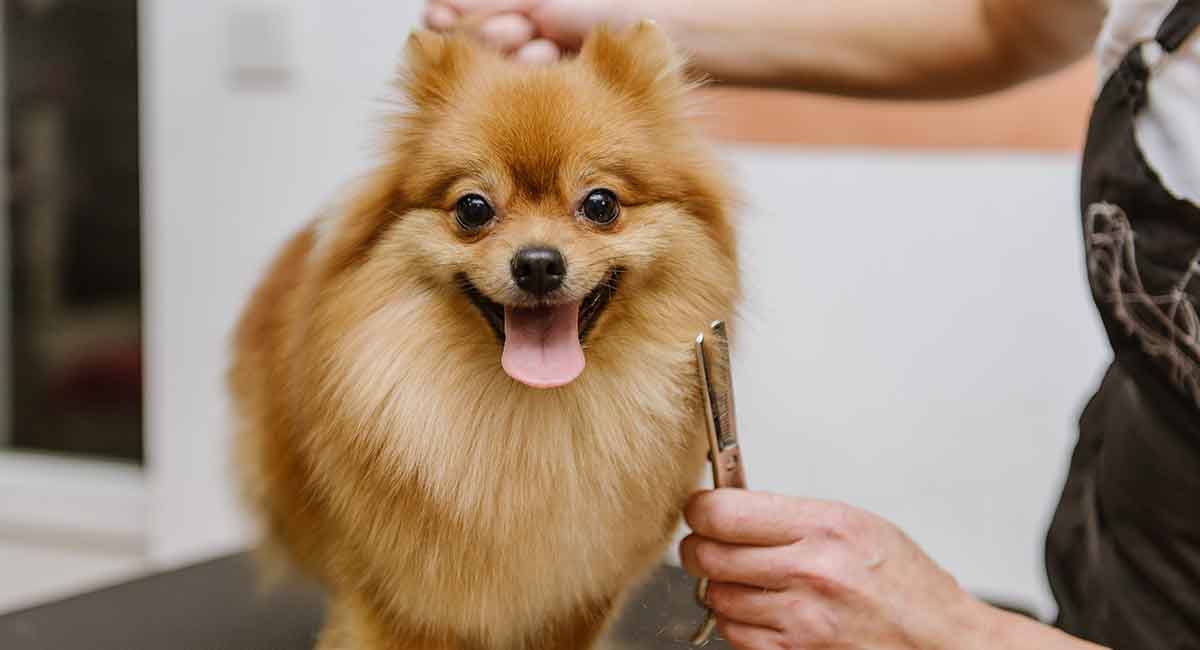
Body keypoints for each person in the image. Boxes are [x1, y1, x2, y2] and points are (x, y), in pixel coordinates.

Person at [424, 1, 1200, 648]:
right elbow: (1011, 25)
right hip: (1131, 533)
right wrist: (612, 30)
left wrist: (956, 632)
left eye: (598, 207)